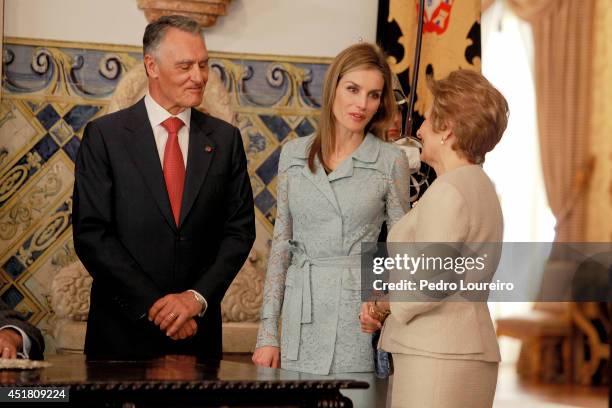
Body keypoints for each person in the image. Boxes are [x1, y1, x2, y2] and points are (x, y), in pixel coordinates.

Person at [72, 15, 255, 360]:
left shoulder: (226, 140)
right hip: (121, 333)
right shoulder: (105, 137)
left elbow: (239, 232)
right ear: (151, 66)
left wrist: (195, 299)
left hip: (197, 333)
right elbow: (92, 235)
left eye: (204, 64)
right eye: (186, 66)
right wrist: (156, 305)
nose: (199, 77)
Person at [252, 43, 411, 375]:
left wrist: (380, 307)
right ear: (334, 86)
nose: (362, 104)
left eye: (373, 94)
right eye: (353, 89)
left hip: (355, 319)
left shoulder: (390, 160)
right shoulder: (293, 153)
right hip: (299, 315)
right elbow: (281, 245)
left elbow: (399, 248)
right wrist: (268, 332)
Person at [372, 69, 508, 407]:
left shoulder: (449, 191)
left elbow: (430, 281)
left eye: (428, 118)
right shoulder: (480, 186)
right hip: (464, 349)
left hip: (436, 354)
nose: (418, 129)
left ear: (447, 128)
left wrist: (382, 304)